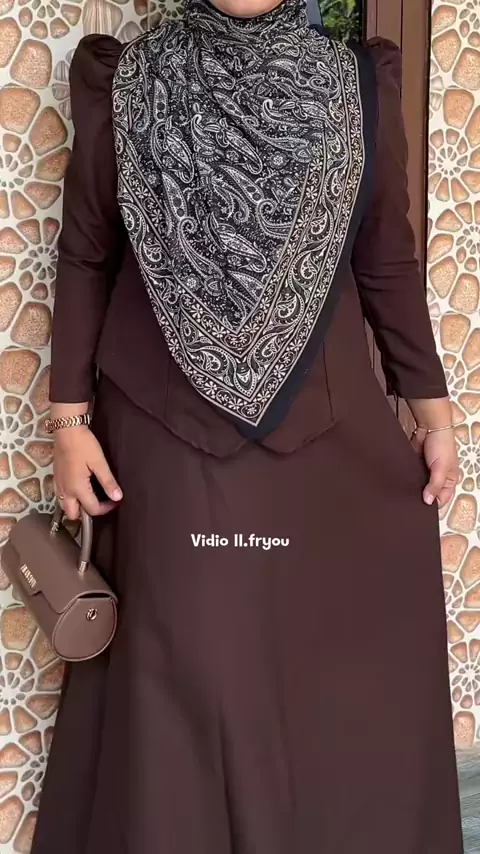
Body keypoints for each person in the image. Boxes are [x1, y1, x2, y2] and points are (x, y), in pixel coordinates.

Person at [31, 0, 464, 851]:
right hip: (163, 438)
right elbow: (85, 253)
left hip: (323, 443)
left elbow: (386, 259)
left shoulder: (355, 87)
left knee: (317, 676)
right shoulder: (128, 82)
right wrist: (68, 421)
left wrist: (431, 410)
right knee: (183, 672)